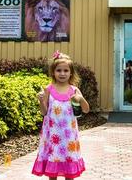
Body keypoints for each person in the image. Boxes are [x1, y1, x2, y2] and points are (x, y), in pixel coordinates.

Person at [32, 50, 90, 180]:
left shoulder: (74, 90)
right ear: (53, 72)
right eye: (59, 70)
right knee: (53, 168)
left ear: (71, 73)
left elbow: (86, 110)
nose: (62, 73)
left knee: (69, 171)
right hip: (53, 136)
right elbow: (44, 112)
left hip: (69, 137)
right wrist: (41, 101)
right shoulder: (49, 89)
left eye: (66, 70)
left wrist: (80, 99)